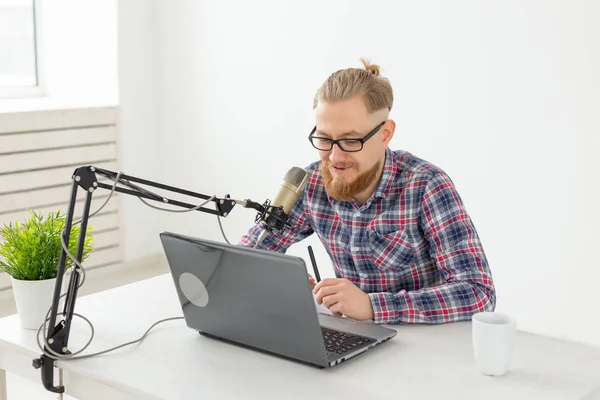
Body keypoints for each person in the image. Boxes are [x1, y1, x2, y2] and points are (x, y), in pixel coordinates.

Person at [239, 58, 495, 324]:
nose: (335, 157)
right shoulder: (312, 182)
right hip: (351, 339)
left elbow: (479, 293)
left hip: (422, 346)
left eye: (351, 140)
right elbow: (247, 257)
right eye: (325, 139)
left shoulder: (426, 185)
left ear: (385, 133)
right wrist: (274, 278)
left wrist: (374, 306)